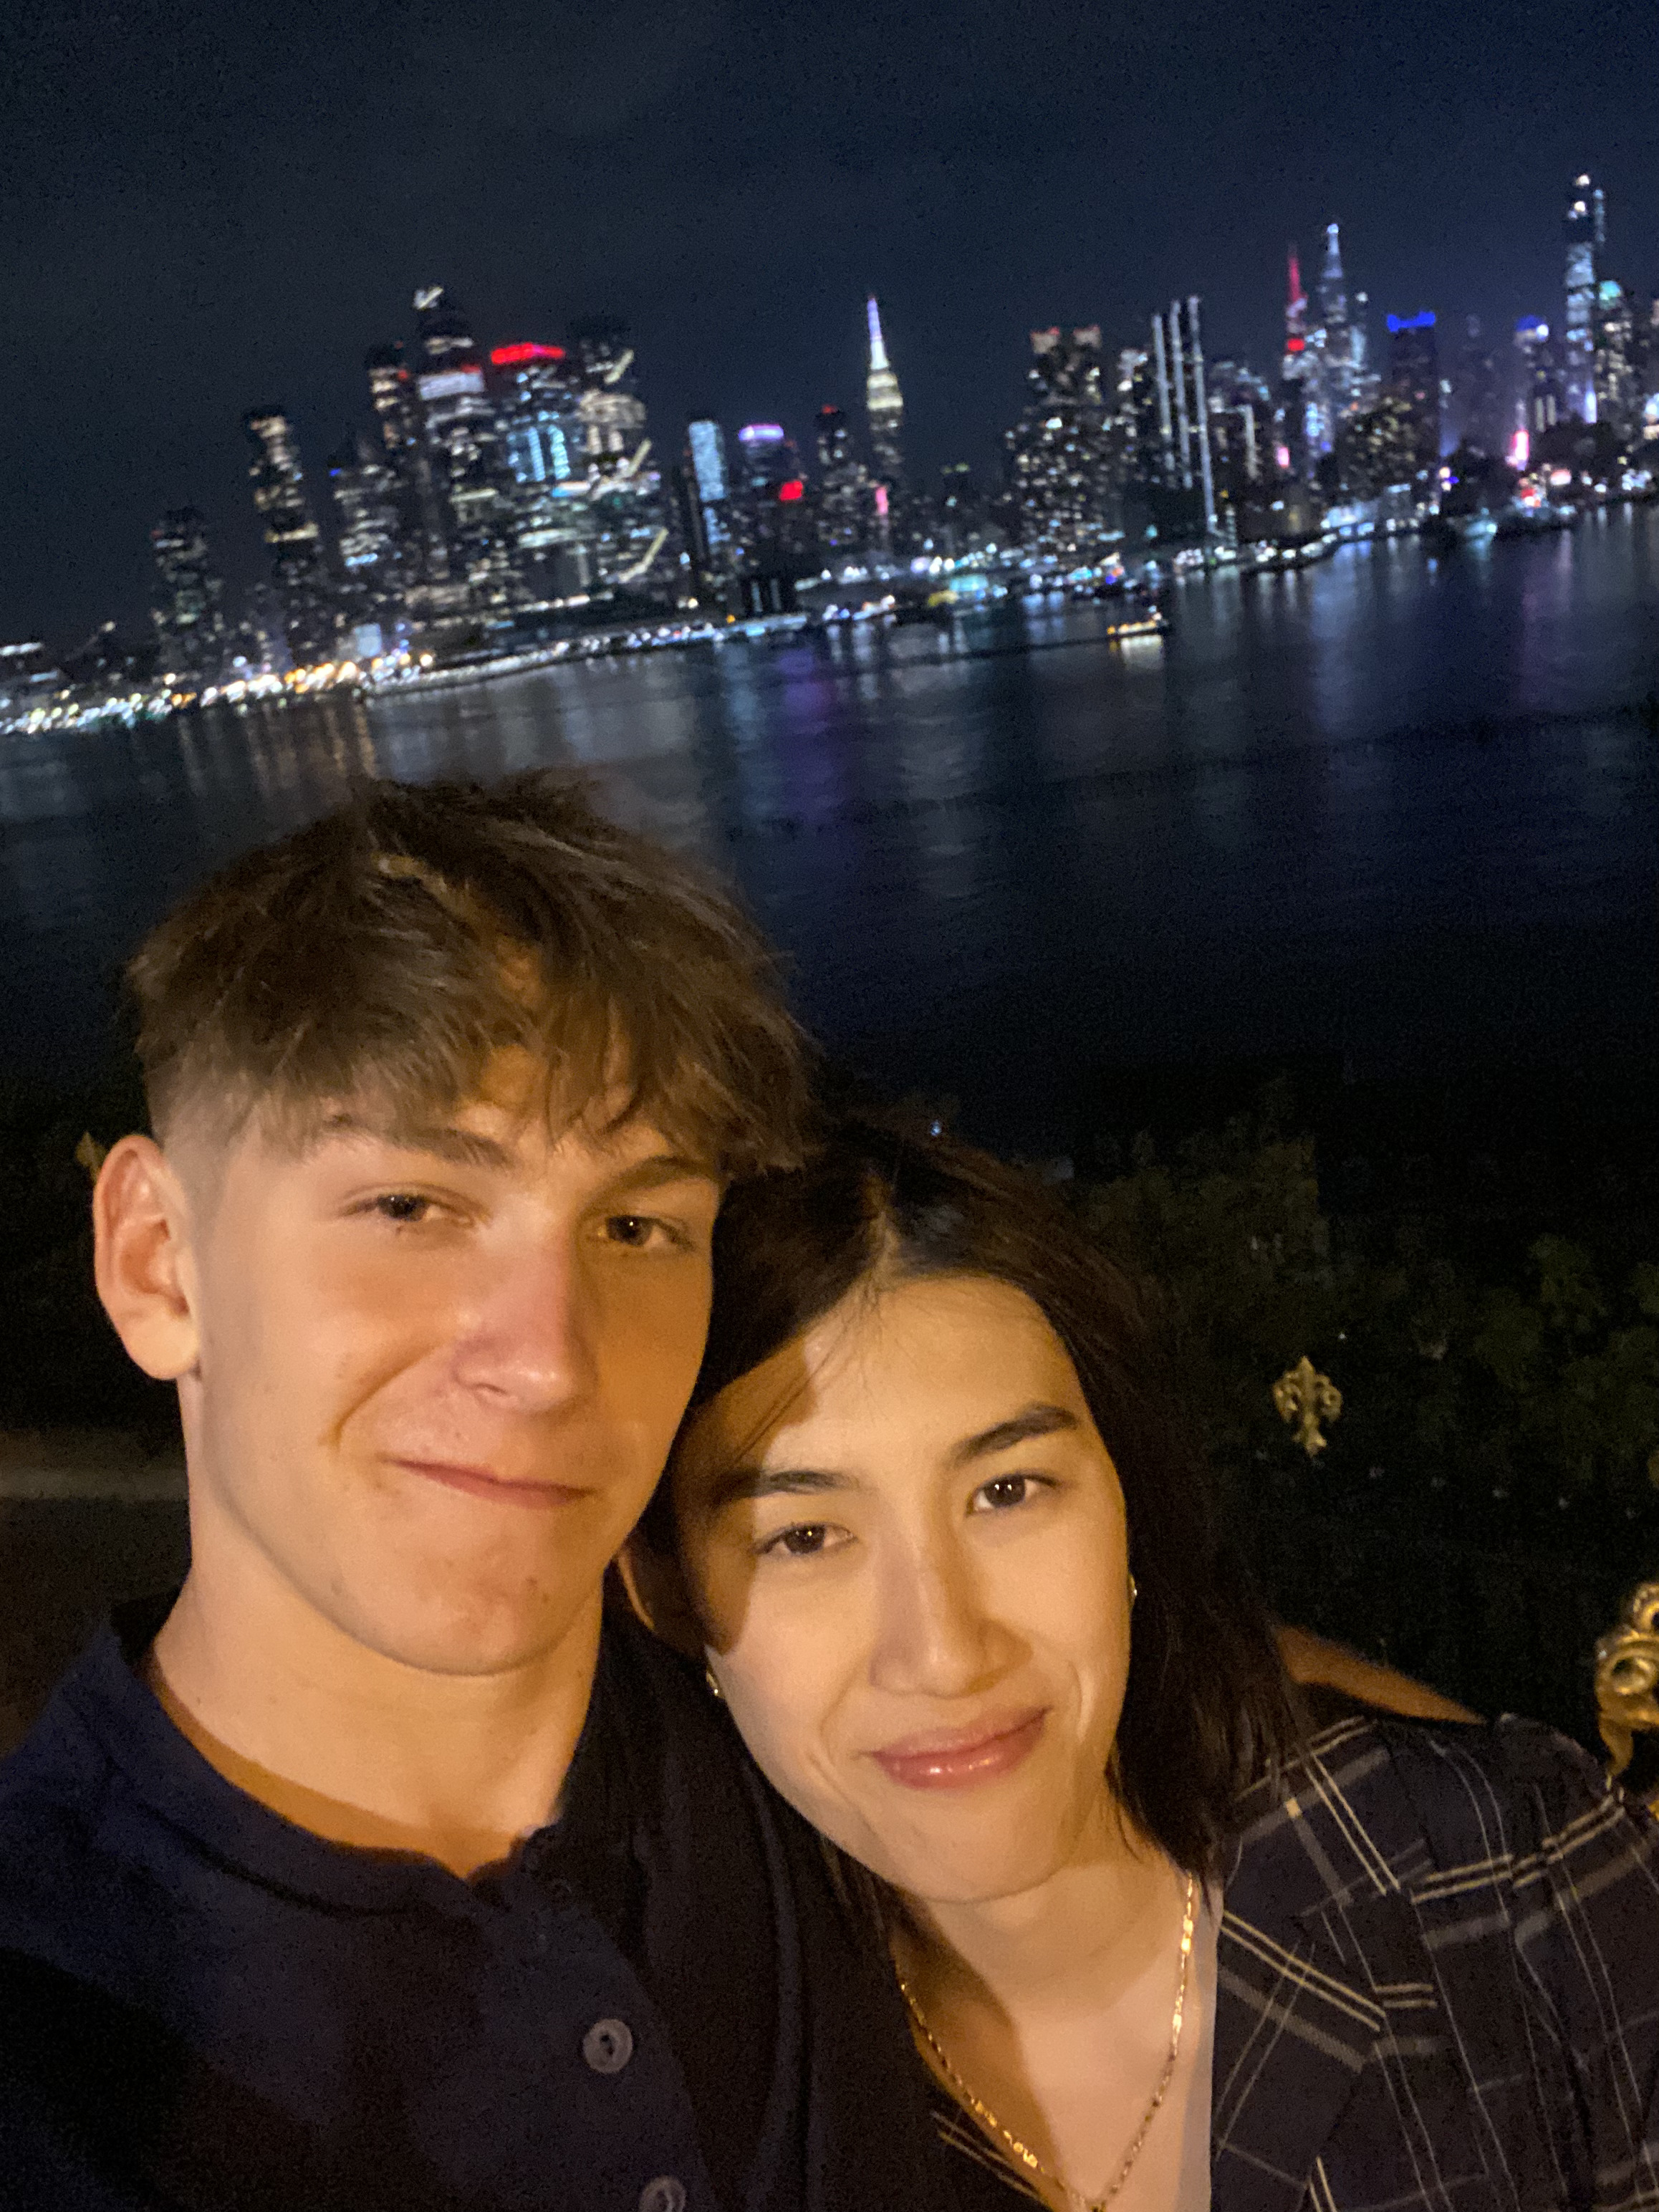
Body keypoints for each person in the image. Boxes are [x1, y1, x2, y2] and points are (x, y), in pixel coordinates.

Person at [0, 776, 955, 2212]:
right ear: (159, 1265)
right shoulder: (52, 2042)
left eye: (636, 1225)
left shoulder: (810, 1742)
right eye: (410, 1206)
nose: (550, 1358)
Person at [638, 1116, 1659, 2211]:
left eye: (1007, 1492)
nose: (944, 1652)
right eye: (804, 1538)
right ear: (673, 1600)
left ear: (1127, 1506)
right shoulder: (696, 2121)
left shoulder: (1502, 1885)